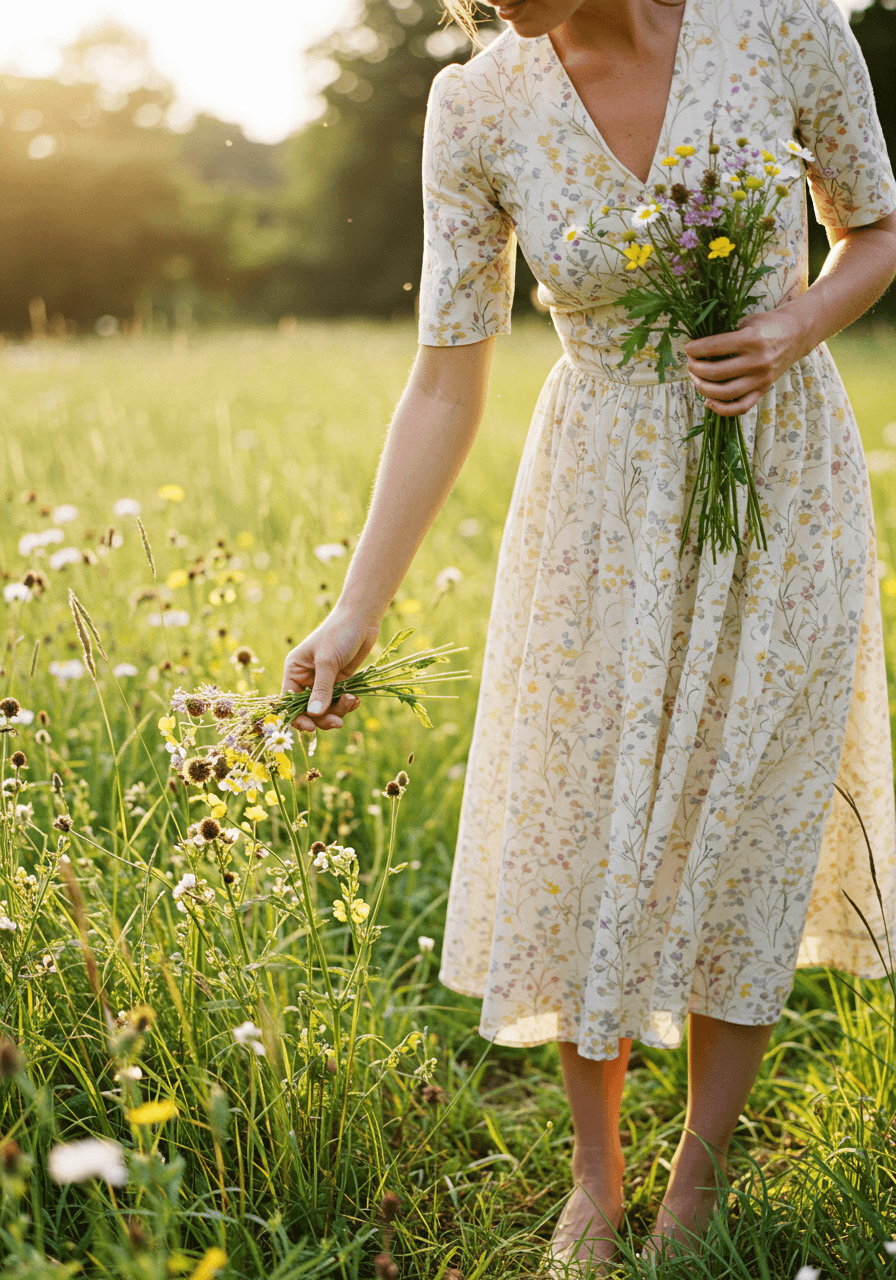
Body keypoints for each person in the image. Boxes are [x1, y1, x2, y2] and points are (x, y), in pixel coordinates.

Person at [282, 0, 896, 1270]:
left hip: (779, 483)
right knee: (580, 819)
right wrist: (355, 606)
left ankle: (695, 1183)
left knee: (746, 815)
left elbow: (873, 230)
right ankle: (594, 1173)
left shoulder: (782, 26)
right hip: (593, 505)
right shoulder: (478, 105)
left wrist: (789, 326)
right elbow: (445, 377)